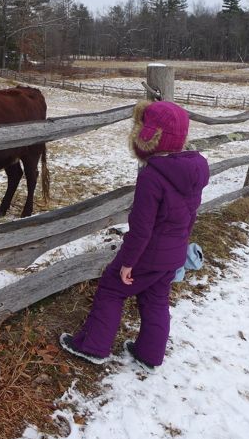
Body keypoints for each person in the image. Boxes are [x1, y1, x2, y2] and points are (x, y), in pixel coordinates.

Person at [60, 100, 210, 372]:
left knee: (111, 289)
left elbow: (142, 229)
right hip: (173, 252)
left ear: (149, 138)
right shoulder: (195, 170)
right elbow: (190, 215)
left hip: (147, 254)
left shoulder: (153, 176)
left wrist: (128, 263)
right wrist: (180, 251)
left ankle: (93, 347)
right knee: (156, 299)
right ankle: (149, 355)